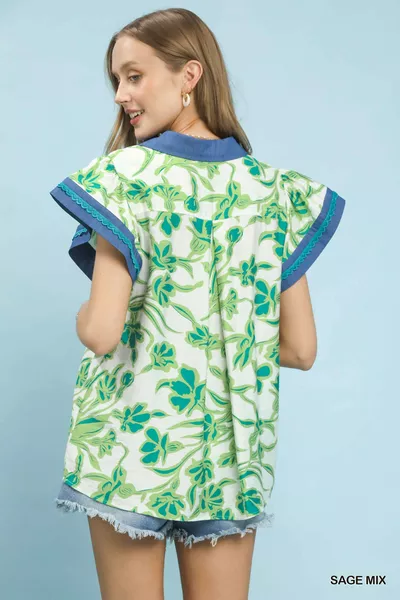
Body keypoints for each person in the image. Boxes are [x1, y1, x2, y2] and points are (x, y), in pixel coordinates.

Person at [50, 7, 346, 600]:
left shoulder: (122, 179)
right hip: (230, 460)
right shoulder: (275, 194)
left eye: (134, 76)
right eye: (116, 80)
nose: (120, 95)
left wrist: (82, 316)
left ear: (190, 74)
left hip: (129, 449)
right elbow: (300, 349)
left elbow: (102, 331)